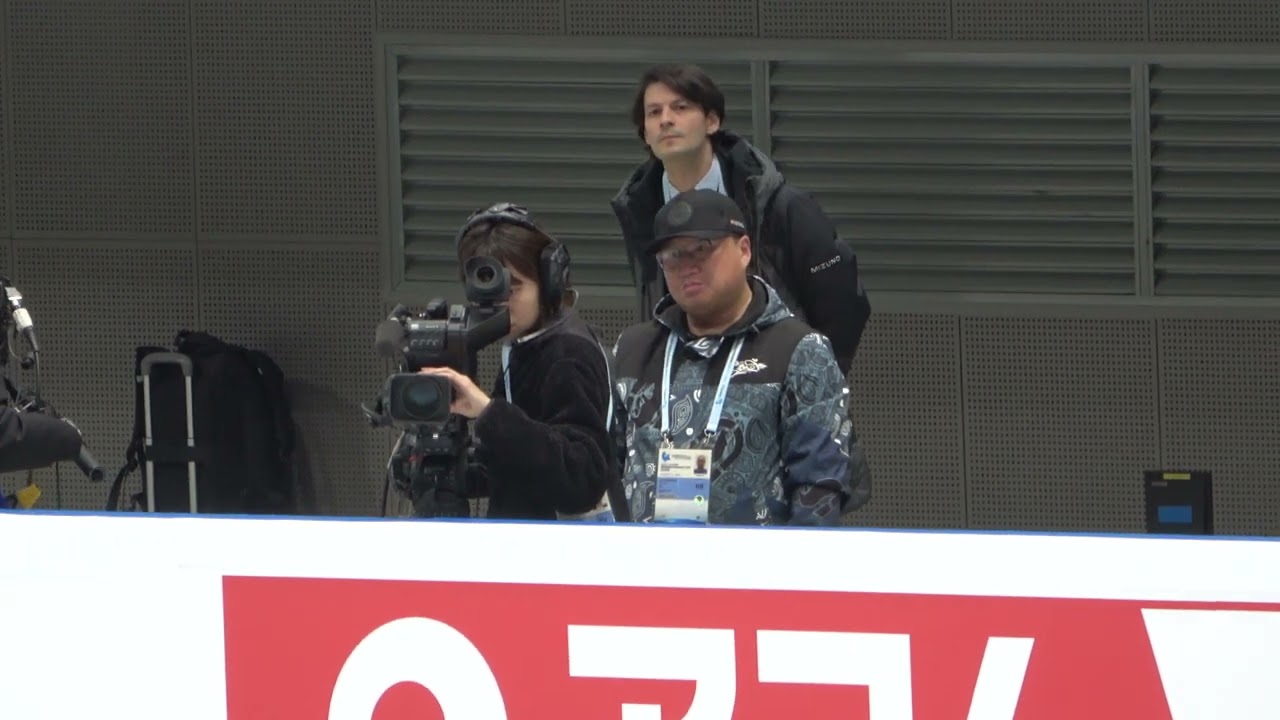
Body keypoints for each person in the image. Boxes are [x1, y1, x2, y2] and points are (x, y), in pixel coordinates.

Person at [611, 62, 871, 378]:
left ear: (712, 121)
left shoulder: (778, 203)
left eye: (681, 107)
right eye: (654, 112)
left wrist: (809, 381)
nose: (666, 119)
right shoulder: (639, 209)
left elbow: (843, 304)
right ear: (645, 133)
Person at [612, 189, 855, 526]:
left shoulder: (798, 349)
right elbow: (605, 471)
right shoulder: (633, 349)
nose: (687, 266)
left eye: (702, 249)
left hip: (753, 559)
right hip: (645, 556)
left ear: (743, 250)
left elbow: (819, 486)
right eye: (673, 255)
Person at [414, 203, 628, 522]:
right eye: (486, 292)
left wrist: (489, 413)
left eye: (512, 289)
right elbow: (525, 460)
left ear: (548, 283)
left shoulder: (568, 354)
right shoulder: (525, 345)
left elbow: (581, 479)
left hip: (567, 549)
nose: (500, 305)